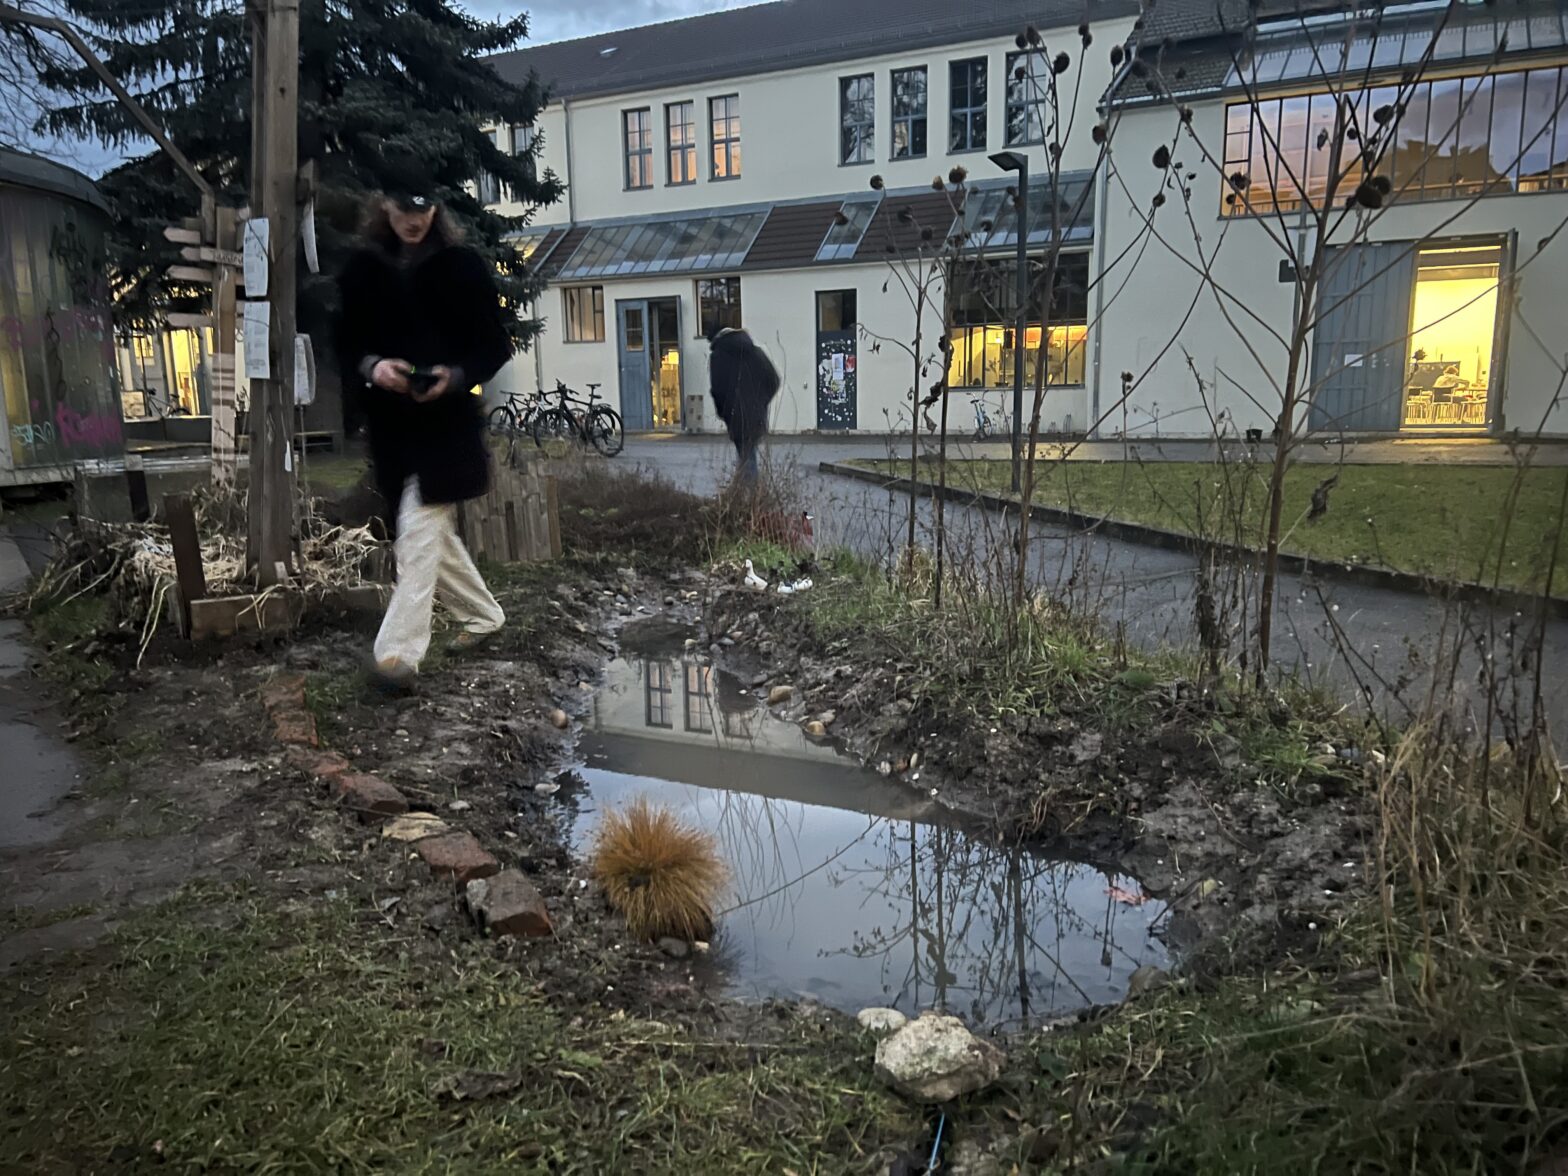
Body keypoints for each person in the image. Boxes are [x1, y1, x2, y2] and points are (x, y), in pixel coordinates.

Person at [336, 171, 513, 691]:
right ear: (384, 203)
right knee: (430, 538)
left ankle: (396, 658)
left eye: (425, 208)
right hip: (392, 434)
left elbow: (494, 346)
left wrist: (455, 376)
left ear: (437, 209)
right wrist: (374, 367)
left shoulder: (463, 267)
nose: (414, 219)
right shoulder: (363, 270)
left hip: (448, 431)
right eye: (403, 206)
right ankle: (484, 616)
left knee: (416, 538)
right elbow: (344, 344)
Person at [707, 323, 779, 485]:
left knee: (747, 460)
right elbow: (774, 380)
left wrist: (725, 412)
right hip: (757, 415)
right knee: (747, 455)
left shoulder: (718, 356)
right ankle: (744, 497)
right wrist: (760, 402)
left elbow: (717, 390)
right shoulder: (756, 352)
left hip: (736, 416)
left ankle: (749, 500)